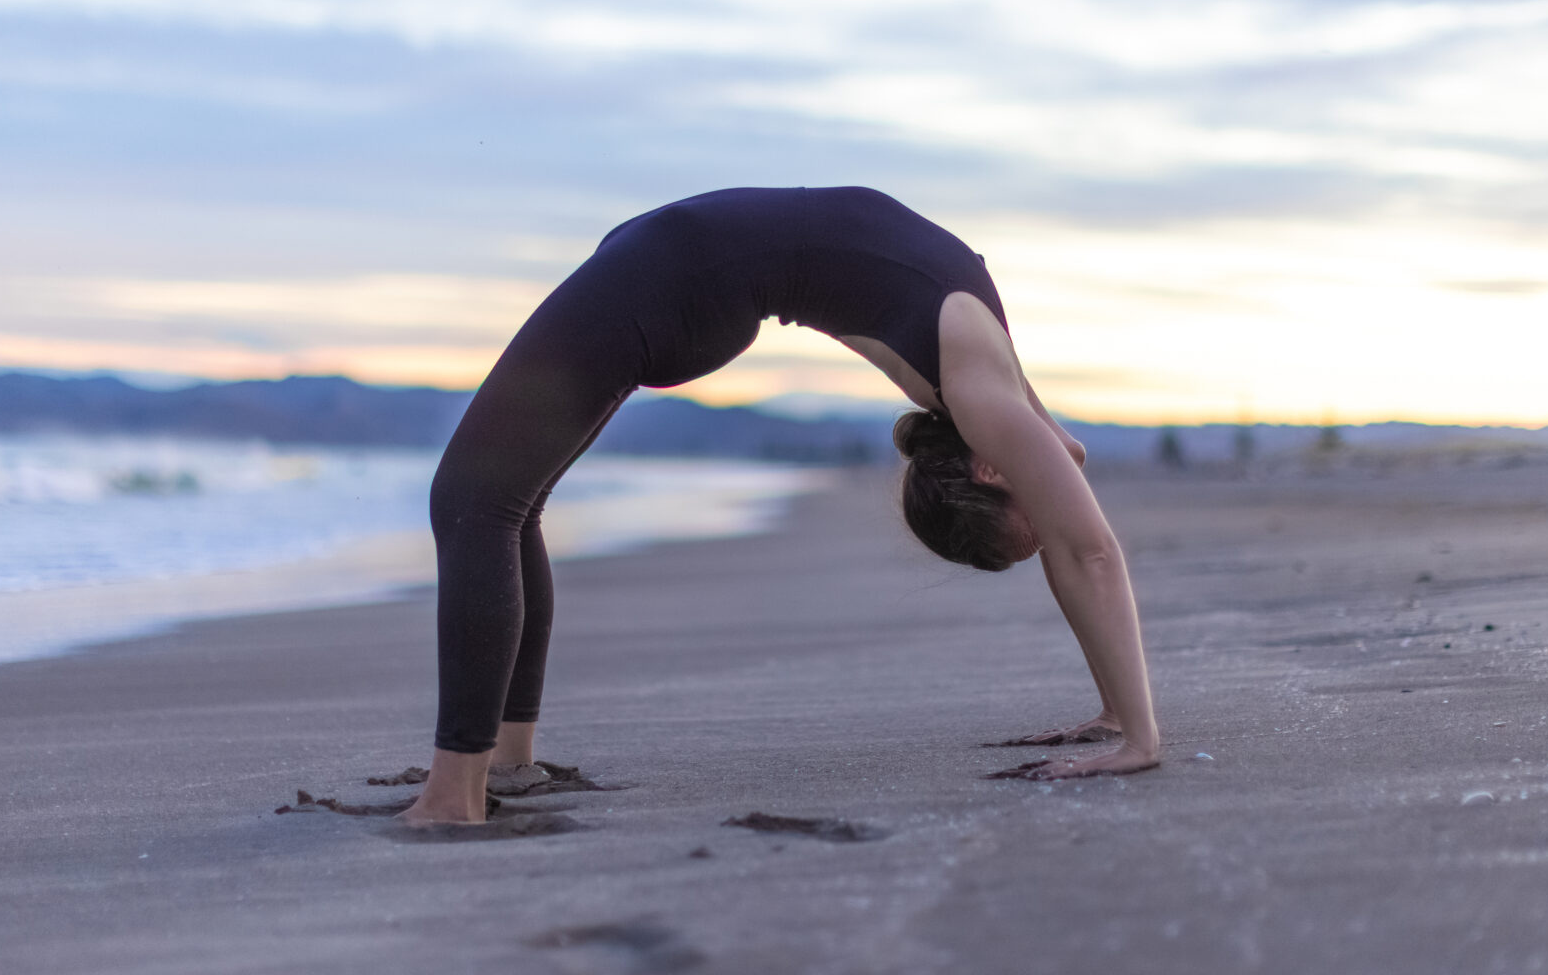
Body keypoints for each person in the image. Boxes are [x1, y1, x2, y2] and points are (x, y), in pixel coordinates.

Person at [402, 187, 1160, 825]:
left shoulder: (988, 384)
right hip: (678, 271)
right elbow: (1086, 543)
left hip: (683, 269)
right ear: (991, 471)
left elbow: (1072, 492)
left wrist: (1122, 720)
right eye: (1027, 538)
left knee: (487, 504)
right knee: (492, 503)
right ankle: (480, 777)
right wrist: (1135, 734)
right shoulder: (984, 393)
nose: (1050, 526)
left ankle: (472, 780)